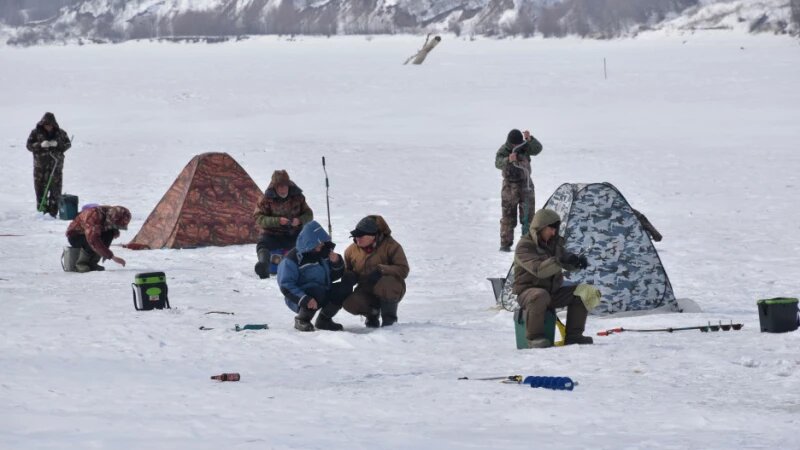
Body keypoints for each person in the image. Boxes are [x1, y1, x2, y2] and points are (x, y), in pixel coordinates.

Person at [513, 208, 593, 348]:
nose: (553, 233)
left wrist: (576, 262)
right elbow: (539, 270)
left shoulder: (554, 244)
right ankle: (534, 338)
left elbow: (563, 260)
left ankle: (574, 336)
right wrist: (560, 260)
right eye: (550, 229)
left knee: (585, 291)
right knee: (539, 295)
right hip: (528, 293)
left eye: (555, 229)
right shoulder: (524, 246)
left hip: (552, 293)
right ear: (540, 227)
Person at [277, 220, 352, 332]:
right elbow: (286, 285)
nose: (322, 246)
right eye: (319, 244)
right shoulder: (291, 259)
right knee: (316, 291)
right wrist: (304, 299)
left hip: (322, 291)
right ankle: (302, 319)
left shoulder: (322, 253)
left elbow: (333, 276)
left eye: (322, 243)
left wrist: (336, 263)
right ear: (309, 243)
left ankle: (324, 320)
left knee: (344, 288)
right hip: (300, 297)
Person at [342, 215, 410, 328]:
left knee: (387, 283)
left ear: (373, 235)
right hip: (366, 288)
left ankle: (389, 320)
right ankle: (372, 315)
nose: (357, 238)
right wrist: (349, 276)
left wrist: (382, 270)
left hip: (391, 287)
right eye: (355, 235)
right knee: (349, 303)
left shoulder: (392, 246)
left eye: (361, 235)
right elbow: (347, 270)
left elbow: (403, 269)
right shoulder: (350, 251)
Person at [252, 170, 313, 279]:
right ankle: (264, 265)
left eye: (285, 186)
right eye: (279, 186)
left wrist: (299, 220)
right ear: (274, 186)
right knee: (262, 244)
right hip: (273, 234)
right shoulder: (266, 199)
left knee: (307, 244)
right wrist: (277, 221)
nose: (283, 189)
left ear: (288, 184)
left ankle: (306, 266)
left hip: (294, 233)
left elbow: (309, 214)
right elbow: (258, 218)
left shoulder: (298, 196)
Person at [495, 128, 542, 252]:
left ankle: (527, 244)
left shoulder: (525, 147)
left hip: (526, 185)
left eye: (518, 143)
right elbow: (497, 163)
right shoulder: (503, 150)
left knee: (528, 216)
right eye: (514, 144)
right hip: (509, 187)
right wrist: (508, 160)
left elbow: (537, 149)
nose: (516, 146)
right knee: (508, 217)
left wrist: (530, 140)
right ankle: (505, 244)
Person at [26, 112, 72, 217]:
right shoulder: (35, 133)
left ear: (54, 124)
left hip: (56, 166)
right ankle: (42, 212)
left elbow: (68, 144)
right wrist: (39, 145)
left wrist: (58, 144)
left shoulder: (61, 133)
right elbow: (28, 146)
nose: (48, 126)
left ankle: (53, 213)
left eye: (50, 124)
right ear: (42, 124)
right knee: (40, 190)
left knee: (55, 190)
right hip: (40, 168)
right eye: (46, 124)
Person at [65, 205, 130, 272]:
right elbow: (93, 239)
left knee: (110, 233)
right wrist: (112, 257)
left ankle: (92, 262)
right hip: (76, 236)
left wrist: (114, 230)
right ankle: (81, 263)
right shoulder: (94, 215)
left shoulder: (108, 214)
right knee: (92, 241)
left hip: (90, 233)